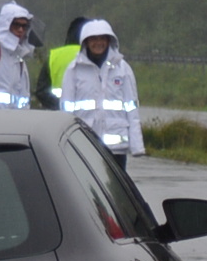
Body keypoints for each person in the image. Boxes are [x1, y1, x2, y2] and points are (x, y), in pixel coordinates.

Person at [60, 18, 145, 164]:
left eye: (102, 38)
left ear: (109, 40)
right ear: (86, 42)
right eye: (93, 39)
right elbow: (65, 111)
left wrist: (137, 146)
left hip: (116, 149)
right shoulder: (74, 70)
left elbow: (132, 109)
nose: (98, 43)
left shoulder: (122, 69)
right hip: (85, 145)